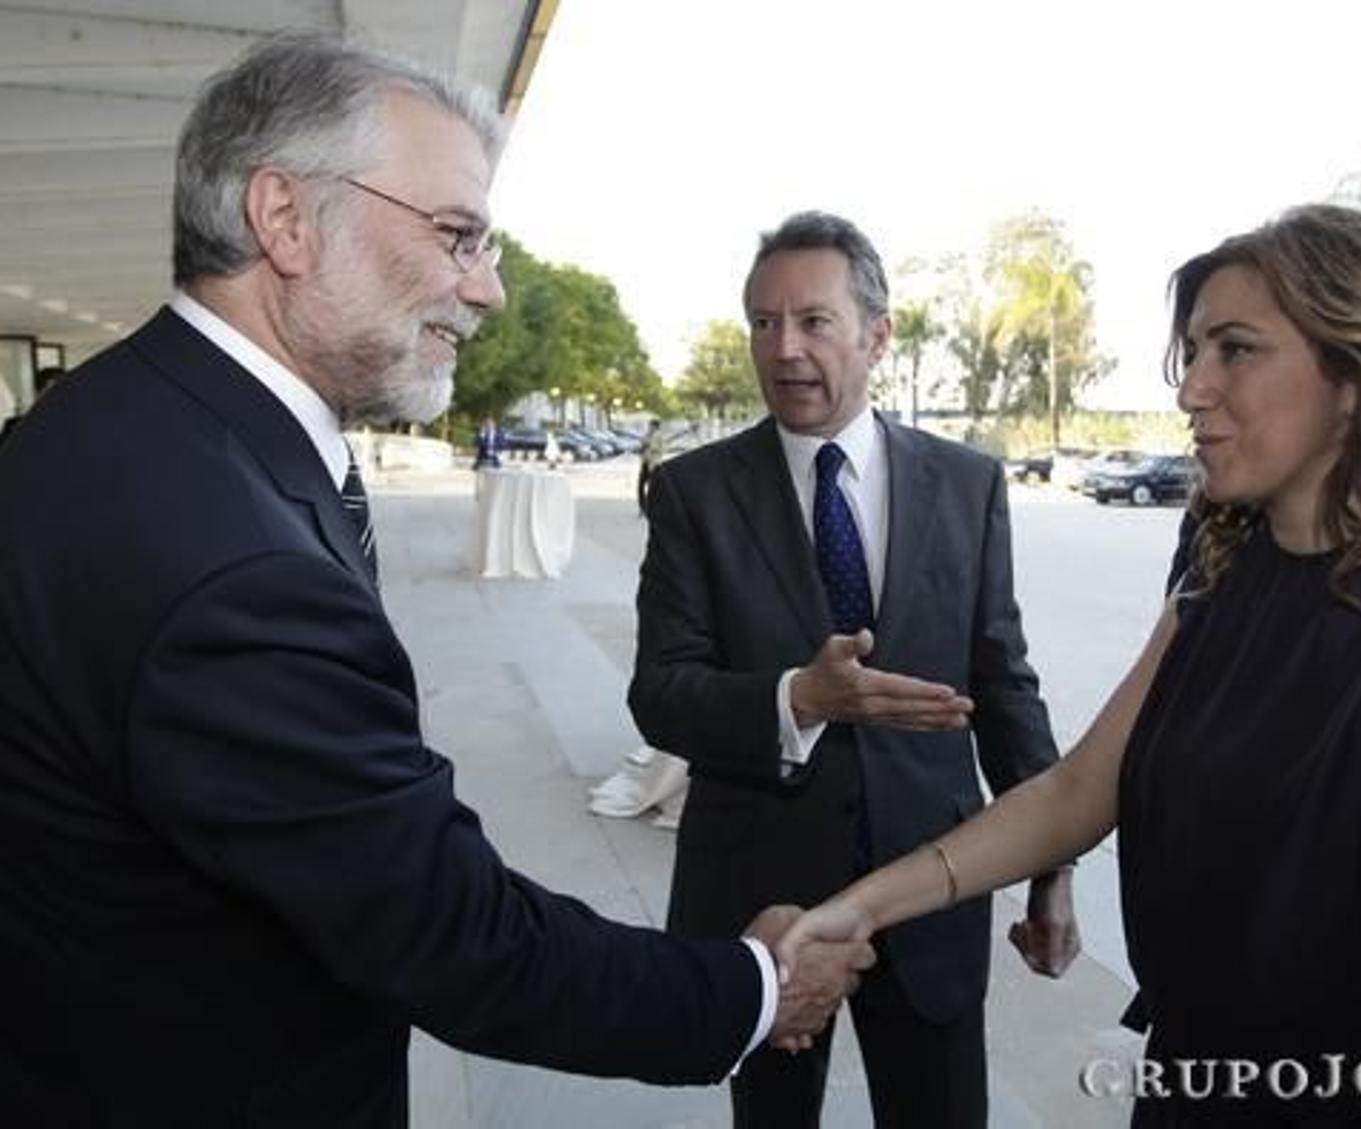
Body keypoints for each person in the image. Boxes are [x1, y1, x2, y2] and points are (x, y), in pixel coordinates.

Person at [0, 34, 873, 1125]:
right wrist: (750, 986)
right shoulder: (234, 560)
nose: (490, 288)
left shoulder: (108, 429)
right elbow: (445, 930)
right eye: (458, 235)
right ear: (284, 220)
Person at [777, 204, 1361, 1126]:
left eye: (1236, 350)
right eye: (1195, 351)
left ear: (1359, 374)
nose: (1193, 389)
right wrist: (864, 907)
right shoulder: (1223, 567)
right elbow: (1078, 792)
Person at [629, 210, 1078, 1129]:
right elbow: (661, 692)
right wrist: (800, 697)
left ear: (878, 334)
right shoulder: (693, 492)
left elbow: (1003, 683)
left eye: (812, 320)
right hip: (763, 903)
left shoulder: (967, 483)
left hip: (933, 891)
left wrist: (1050, 865)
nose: (783, 347)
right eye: (762, 322)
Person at [636, 416, 665, 514]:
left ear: (656, 427)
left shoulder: (659, 436)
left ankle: (652, 507)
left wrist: (650, 446)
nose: (650, 428)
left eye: (651, 426)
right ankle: (642, 507)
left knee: (652, 488)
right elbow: (642, 447)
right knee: (640, 486)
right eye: (649, 426)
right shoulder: (646, 435)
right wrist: (641, 448)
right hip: (645, 463)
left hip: (654, 465)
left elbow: (661, 450)